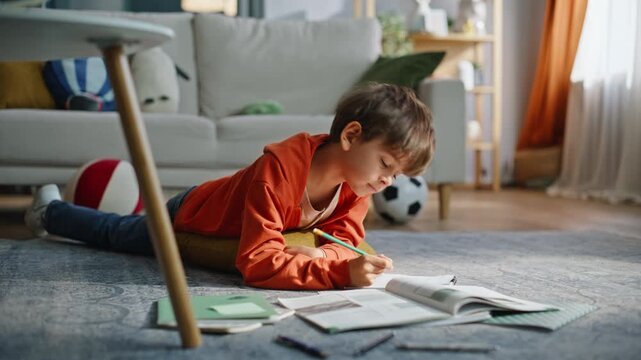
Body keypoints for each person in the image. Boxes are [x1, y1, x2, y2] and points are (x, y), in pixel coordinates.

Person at [24, 82, 436, 290]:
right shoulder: (281, 168)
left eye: (396, 176)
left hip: (231, 227)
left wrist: (326, 254)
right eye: (385, 164)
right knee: (117, 233)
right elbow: (257, 263)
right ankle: (49, 210)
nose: (386, 181)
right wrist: (340, 272)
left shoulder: (356, 186)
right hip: (191, 214)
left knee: (125, 227)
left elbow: (342, 240)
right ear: (350, 135)